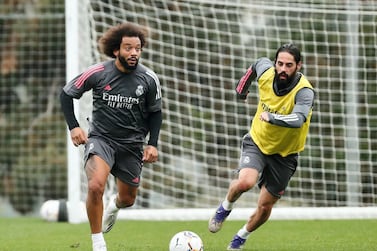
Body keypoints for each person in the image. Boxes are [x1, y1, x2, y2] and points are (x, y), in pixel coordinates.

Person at [60, 22, 162, 251]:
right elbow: (67, 94)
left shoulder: (149, 79)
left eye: (138, 48)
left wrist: (152, 144)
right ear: (116, 50)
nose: (134, 53)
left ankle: (114, 206)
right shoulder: (99, 72)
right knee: (96, 186)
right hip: (102, 140)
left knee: (128, 199)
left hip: (132, 145)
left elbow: (156, 114)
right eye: (128, 48)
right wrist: (74, 126)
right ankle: (98, 243)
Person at [208, 43, 314, 250]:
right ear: (275, 63)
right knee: (245, 183)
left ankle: (240, 237)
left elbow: (299, 118)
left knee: (265, 207)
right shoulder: (266, 71)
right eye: (280, 63)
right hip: (257, 141)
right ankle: (225, 208)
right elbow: (255, 65)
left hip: (286, 155)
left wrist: (273, 117)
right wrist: (241, 90)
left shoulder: (305, 91)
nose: (283, 69)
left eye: (289, 65)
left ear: (298, 66)